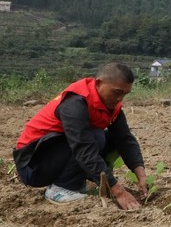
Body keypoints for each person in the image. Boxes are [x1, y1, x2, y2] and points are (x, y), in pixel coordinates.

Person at [13, 62, 147, 210]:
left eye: (125, 94)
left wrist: (141, 175)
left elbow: (125, 139)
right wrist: (118, 191)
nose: (120, 99)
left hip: (56, 156)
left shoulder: (111, 106)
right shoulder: (75, 102)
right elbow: (83, 147)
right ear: (98, 83)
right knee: (96, 137)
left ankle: (82, 180)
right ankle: (61, 188)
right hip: (33, 166)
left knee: (114, 139)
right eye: (117, 92)